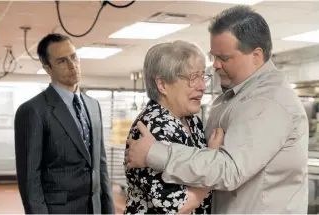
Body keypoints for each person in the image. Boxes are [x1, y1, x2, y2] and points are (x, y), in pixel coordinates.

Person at [125, 5, 309, 214]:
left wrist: (155, 153)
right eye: (214, 57)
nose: (216, 65)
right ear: (163, 85)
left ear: (256, 55)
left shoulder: (269, 102)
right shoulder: (230, 99)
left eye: (224, 58)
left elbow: (229, 170)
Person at [14, 33, 114, 214]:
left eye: (74, 57)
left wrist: (109, 210)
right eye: (61, 61)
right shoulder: (33, 110)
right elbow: (30, 180)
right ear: (47, 68)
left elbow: (101, 167)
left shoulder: (93, 105)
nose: (72, 65)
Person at [124, 40, 223, 214]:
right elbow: (177, 206)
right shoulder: (152, 127)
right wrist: (213, 161)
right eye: (193, 78)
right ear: (162, 85)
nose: (202, 86)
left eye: (203, 76)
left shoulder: (192, 121)